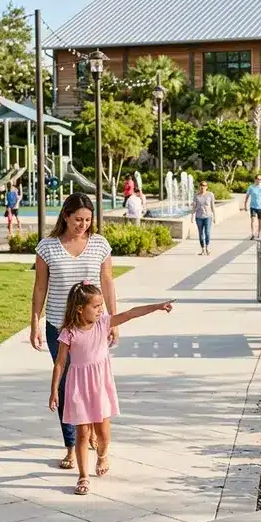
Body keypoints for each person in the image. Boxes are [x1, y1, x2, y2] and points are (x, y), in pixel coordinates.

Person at [49, 281, 172, 495]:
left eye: (101, 306)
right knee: (82, 433)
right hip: (78, 385)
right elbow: (60, 363)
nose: (100, 310)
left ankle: (103, 455)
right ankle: (83, 476)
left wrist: (157, 306)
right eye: (96, 306)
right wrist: (54, 391)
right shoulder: (69, 332)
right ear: (80, 308)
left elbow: (131, 313)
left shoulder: (103, 323)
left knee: (103, 432)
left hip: (100, 386)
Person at [30, 193, 118, 471]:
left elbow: (108, 282)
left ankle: (93, 434)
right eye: (78, 219)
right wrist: (35, 322)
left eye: (88, 220)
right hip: (59, 326)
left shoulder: (100, 244)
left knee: (93, 385)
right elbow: (40, 287)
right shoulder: (47, 247)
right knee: (68, 390)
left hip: (94, 329)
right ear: (65, 216)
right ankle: (72, 445)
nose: (83, 225)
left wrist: (113, 322)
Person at [192, 180, 216, 256]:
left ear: (207, 187)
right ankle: (202, 249)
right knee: (200, 233)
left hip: (208, 216)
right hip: (199, 217)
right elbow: (194, 207)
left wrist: (215, 216)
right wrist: (192, 216)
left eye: (204, 185)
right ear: (200, 186)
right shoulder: (196, 196)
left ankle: (207, 247)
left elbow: (213, 206)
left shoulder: (210, 195)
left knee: (207, 232)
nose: (203, 187)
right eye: (202, 185)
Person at [242, 175, 261, 239]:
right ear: (255, 179)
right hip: (253, 206)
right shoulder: (251, 187)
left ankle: (259, 233)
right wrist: (245, 205)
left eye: (260, 179)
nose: (259, 180)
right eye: (258, 179)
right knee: (253, 220)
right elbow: (247, 196)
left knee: (260, 221)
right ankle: (253, 234)